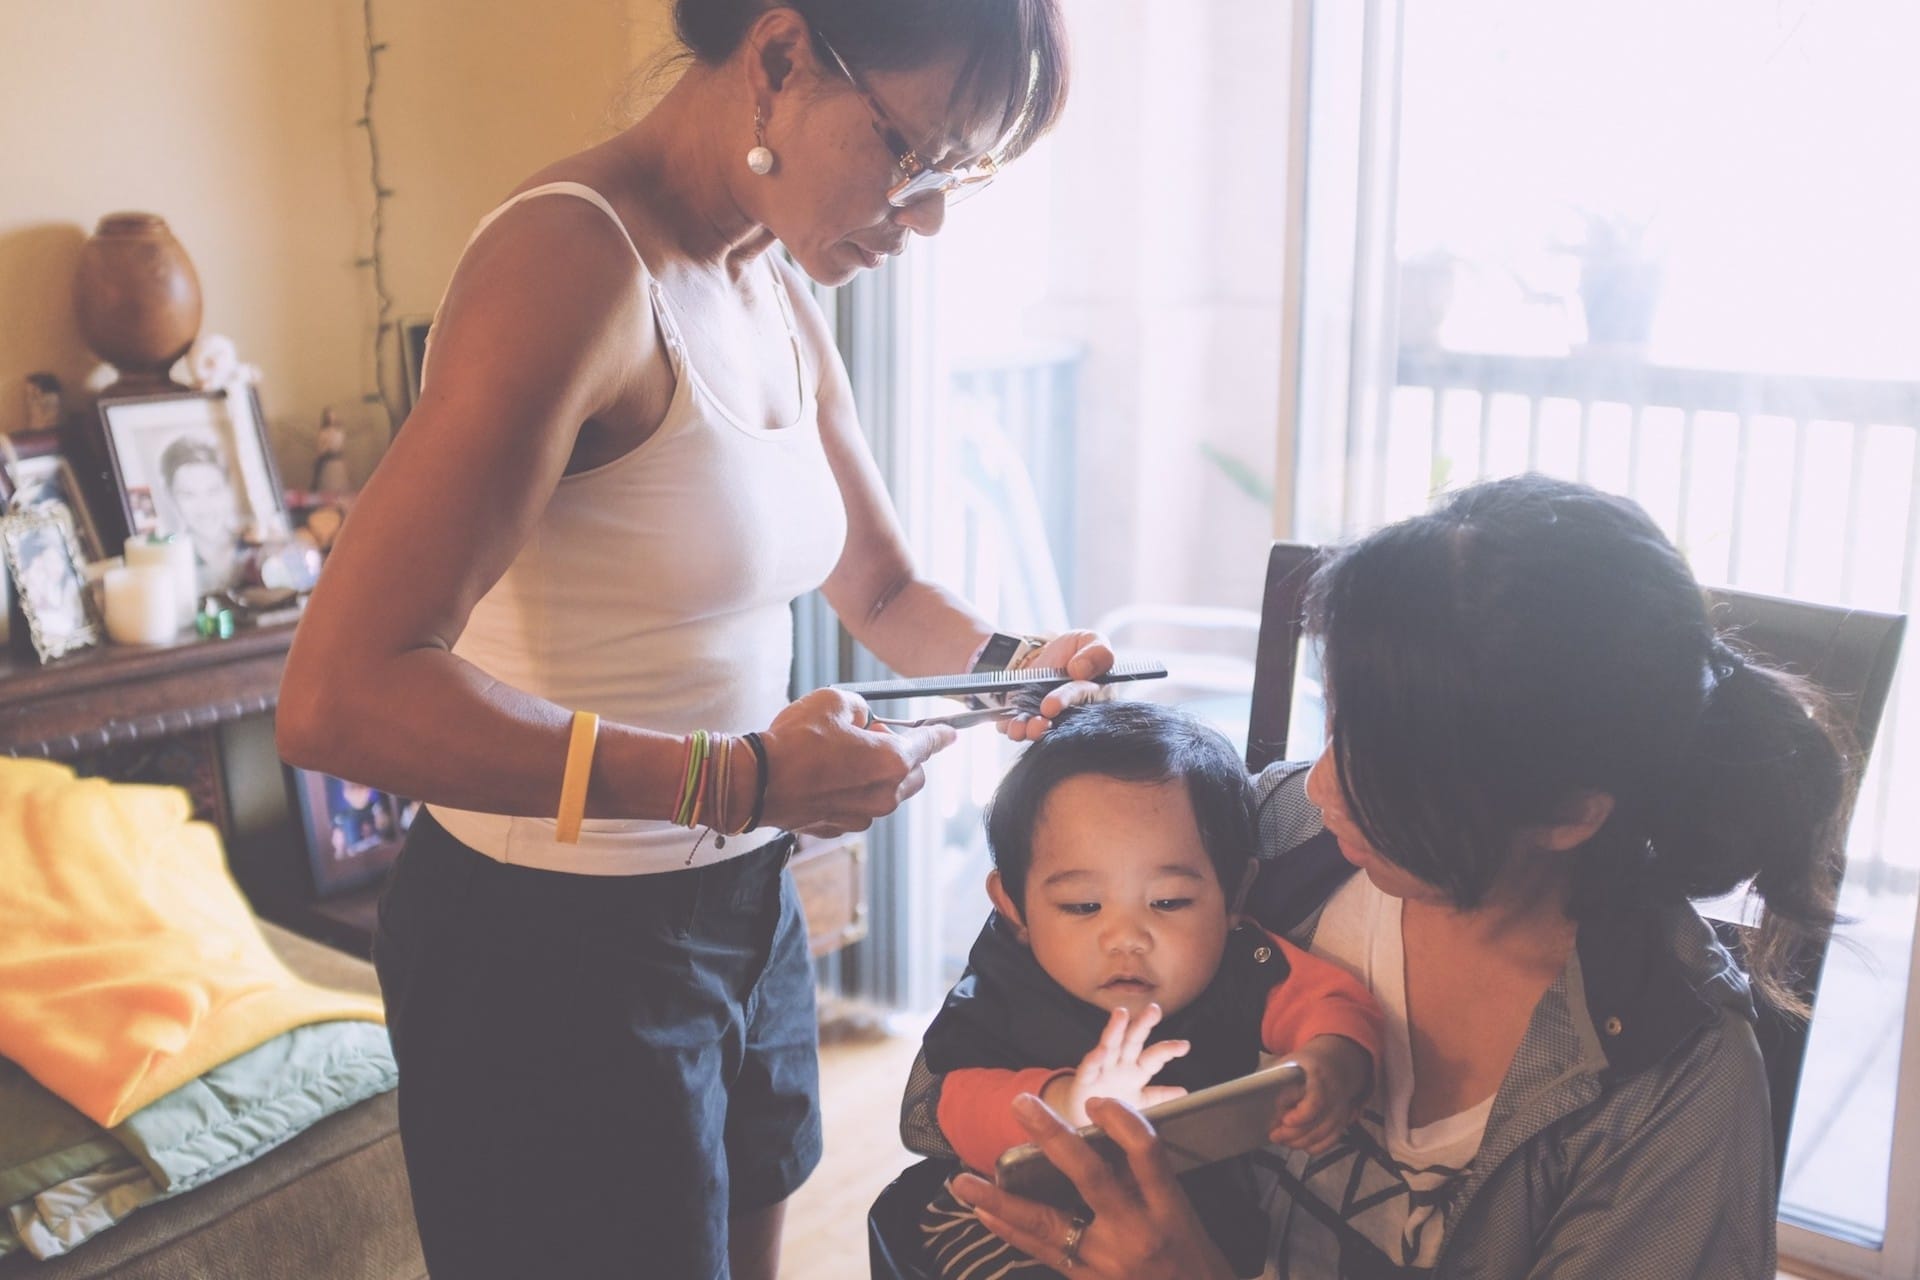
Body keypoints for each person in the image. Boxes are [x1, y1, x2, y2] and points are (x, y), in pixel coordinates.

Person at [274, 3, 1093, 1278]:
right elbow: (338, 695)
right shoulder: (568, 267)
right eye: (912, 154)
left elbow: (878, 585)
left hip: (738, 903)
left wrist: (1011, 666)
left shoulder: (767, 272)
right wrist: (741, 778)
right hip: (544, 948)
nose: (925, 216)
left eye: (956, 178)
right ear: (777, 59)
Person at [916, 474, 1852, 1278]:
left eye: (1392, 772)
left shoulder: (1668, 1086)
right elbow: (936, 1096)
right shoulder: (1279, 838)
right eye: (1338, 723)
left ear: (1567, 814)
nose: (1320, 784)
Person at [914, 701, 1383, 1278]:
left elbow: (1331, 1004)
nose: (1126, 938)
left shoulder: (1239, 963)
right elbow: (955, 1104)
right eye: (1082, 906)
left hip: (1197, 1229)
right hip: (1012, 1224)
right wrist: (1066, 1106)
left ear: (1235, 895)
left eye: (1169, 902)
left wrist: (1334, 1063)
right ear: (1012, 905)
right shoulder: (1007, 981)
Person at [157, 435, 243, 595]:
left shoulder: (254, 549)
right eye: (188, 495)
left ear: (228, 490)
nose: (204, 507)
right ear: (171, 497)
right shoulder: (168, 564)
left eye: (213, 491)